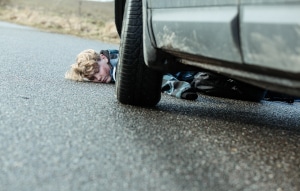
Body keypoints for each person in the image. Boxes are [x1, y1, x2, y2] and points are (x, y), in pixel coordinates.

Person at [66, 49, 273, 102]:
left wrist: (181, 90)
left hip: (194, 75)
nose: (98, 78)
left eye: (96, 71)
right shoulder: (120, 55)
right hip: (196, 70)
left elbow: (161, 79)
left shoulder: (122, 68)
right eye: (92, 79)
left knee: (205, 83)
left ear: (103, 58)